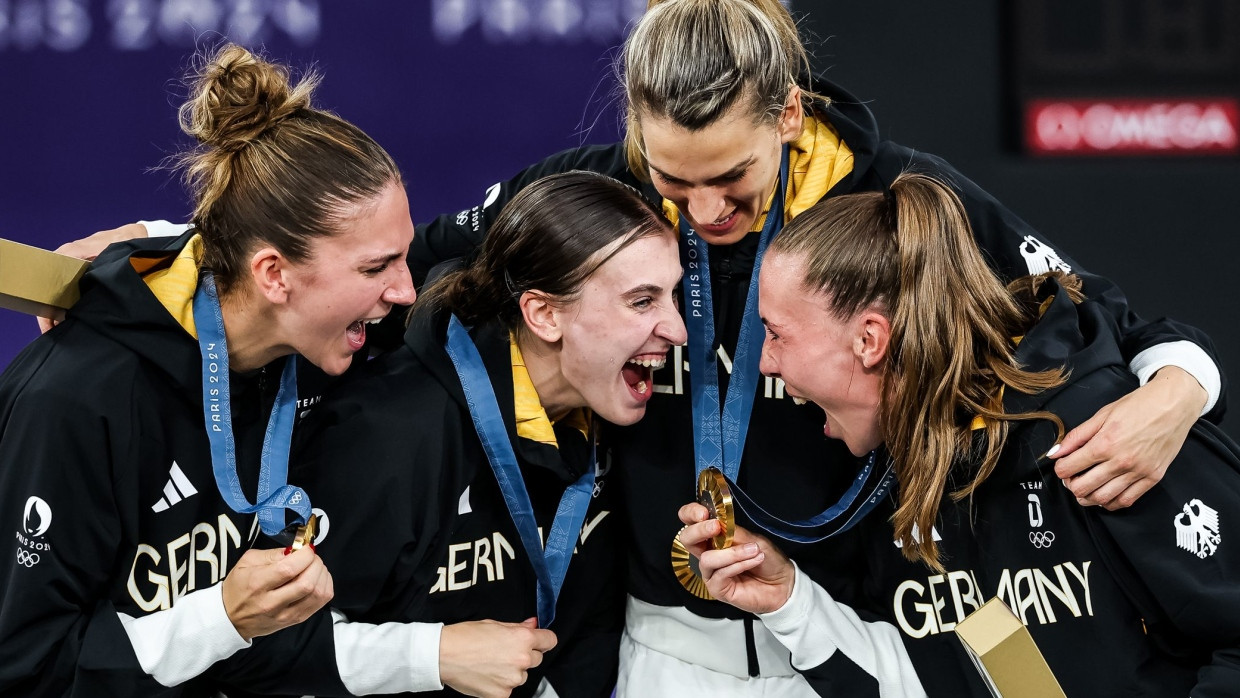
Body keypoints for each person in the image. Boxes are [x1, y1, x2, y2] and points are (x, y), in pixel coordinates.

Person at [56, 0, 1225, 693]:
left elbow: (1109, 316)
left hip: (846, 627)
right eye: (671, 178)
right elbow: (375, 257)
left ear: (790, 115)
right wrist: (172, 249)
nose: (700, 213)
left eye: (730, 183)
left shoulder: (902, 196)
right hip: (659, 644)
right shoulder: (598, 195)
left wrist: (1179, 389)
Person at [677, 172, 1240, 696]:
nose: (766, 364)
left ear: (870, 340)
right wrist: (789, 603)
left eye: (775, 335)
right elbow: (938, 679)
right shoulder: (902, 476)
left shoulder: (1115, 436)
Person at [0, 44, 429, 696]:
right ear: (274, 275)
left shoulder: (308, 341)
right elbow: (25, 669)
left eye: (404, 258)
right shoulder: (76, 403)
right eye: (376, 268)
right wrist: (220, 618)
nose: (406, 292)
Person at [291, 170, 686, 697]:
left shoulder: (600, 416)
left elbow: (583, 634)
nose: (678, 329)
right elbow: (273, 652)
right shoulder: (386, 437)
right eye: (642, 301)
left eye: (674, 294)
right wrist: (434, 656)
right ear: (544, 314)